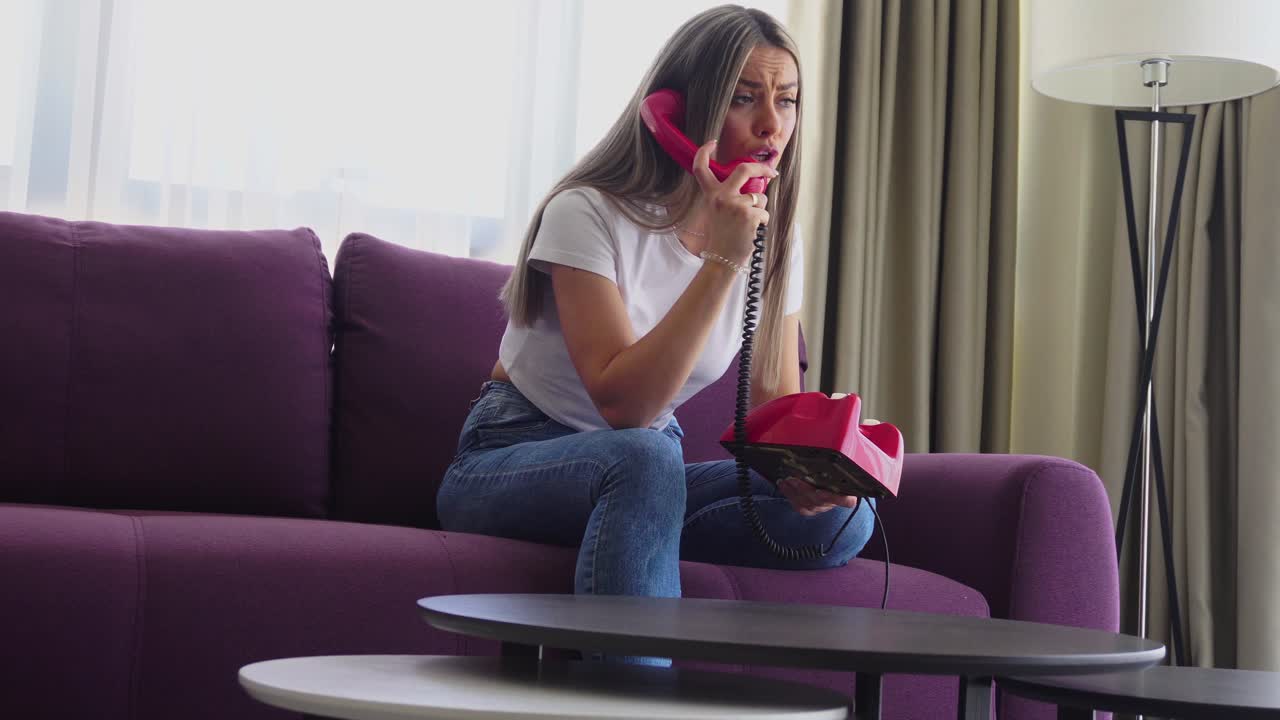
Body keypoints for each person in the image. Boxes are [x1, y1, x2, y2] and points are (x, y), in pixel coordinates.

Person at [437, 4, 875, 638]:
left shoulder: (775, 233)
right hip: (512, 458)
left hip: (648, 472)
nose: (770, 125)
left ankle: (635, 534)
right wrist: (723, 257)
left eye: (788, 101)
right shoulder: (587, 210)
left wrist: (811, 469)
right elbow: (627, 408)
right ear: (677, 108)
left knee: (840, 519)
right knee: (643, 459)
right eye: (745, 98)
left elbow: (776, 398)